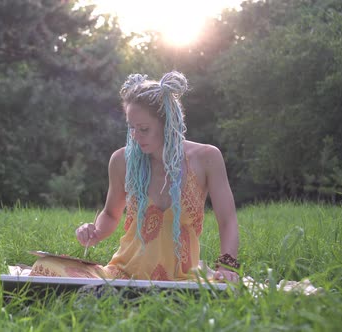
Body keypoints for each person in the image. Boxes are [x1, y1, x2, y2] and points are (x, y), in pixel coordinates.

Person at [29, 71, 240, 282]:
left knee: (227, 287)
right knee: (44, 266)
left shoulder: (206, 158)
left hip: (182, 278)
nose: (135, 136)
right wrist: (93, 233)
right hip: (124, 274)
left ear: (168, 123)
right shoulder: (122, 160)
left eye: (144, 129)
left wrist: (227, 266)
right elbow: (111, 214)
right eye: (131, 128)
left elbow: (227, 219)